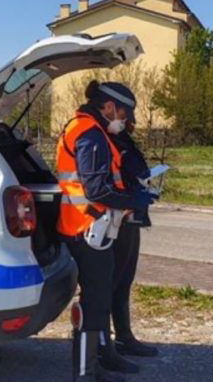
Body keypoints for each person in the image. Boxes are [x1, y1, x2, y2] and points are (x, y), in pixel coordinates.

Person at [56, 80, 154, 382]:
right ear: (109, 106)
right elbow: (97, 189)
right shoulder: (89, 133)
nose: (125, 120)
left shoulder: (90, 130)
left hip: (89, 226)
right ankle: (86, 372)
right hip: (86, 226)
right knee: (95, 300)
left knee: (98, 299)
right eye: (124, 113)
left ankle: (103, 356)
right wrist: (132, 200)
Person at [106, 120, 160, 359]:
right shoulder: (105, 139)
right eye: (129, 115)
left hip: (130, 217)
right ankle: (105, 341)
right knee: (112, 281)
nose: (134, 121)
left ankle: (124, 336)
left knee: (124, 280)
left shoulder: (123, 140)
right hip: (116, 219)